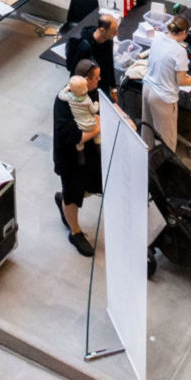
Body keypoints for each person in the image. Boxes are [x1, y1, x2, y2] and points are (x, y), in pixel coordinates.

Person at [53, 61, 105, 256]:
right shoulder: (64, 105)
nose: (99, 80)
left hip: (88, 154)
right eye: (96, 78)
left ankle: (65, 200)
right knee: (73, 193)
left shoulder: (88, 92)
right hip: (70, 159)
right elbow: (72, 138)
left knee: (93, 184)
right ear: (85, 80)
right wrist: (99, 128)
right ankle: (74, 232)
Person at [143, 15, 191, 151]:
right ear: (182, 33)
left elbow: (164, 63)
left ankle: (146, 156)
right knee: (167, 138)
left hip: (147, 88)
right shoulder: (180, 51)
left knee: (147, 127)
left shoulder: (158, 37)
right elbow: (182, 81)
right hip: (162, 97)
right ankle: (165, 165)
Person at [65, 9, 119, 94]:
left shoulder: (108, 40)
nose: (117, 34)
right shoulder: (84, 47)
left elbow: (109, 63)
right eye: (114, 31)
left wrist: (113, 88)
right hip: (88, 88)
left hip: (102, 83)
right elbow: (74, 74)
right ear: (102, 30)